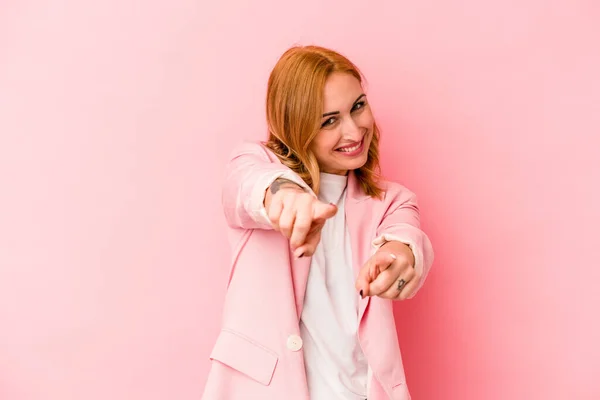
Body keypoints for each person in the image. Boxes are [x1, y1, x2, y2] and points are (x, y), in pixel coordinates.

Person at [201, 45, 434, 400]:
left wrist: (401, 257)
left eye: (358, 106)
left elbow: (406, 238)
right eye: (329, 121)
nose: (354, 131)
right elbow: (250, 185)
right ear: (298, 126)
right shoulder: (254, 163)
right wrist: (287, 198)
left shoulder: (391, 200)